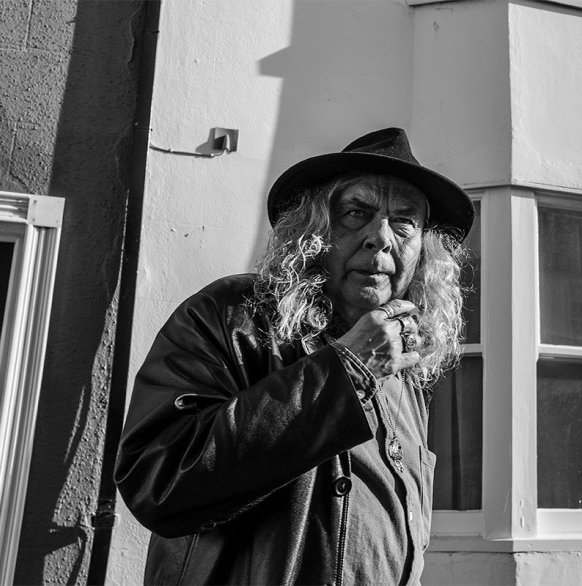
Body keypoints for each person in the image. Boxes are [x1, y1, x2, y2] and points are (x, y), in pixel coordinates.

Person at [115, 128, 474, 585]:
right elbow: (159, 479)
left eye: (404, 221)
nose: (380, 238)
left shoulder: (403, 366)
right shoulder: (234, 315)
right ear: (313, 230)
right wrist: (349, 371)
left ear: (423, 248)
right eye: (356, 212)